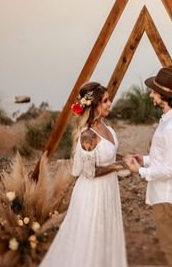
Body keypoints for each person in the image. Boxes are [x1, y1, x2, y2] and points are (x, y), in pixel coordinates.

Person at [40, 82, 127, 267]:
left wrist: (127, 157)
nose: (110, 103)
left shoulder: (107, 128)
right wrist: (119, 166)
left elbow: (108, 154)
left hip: (108, 189)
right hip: (93, 193)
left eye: (109, 99)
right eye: (105, 101)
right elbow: (90, 171)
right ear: (94, 105)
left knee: (105, 235)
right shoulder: (87, 135)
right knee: (91, 239)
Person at [125, 67, 172, 267]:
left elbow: (170, 169)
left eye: (154, 91)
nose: (150, 94)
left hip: (167, 197)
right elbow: (165, 158)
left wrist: (139, 171)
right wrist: (144, 160)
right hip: (169, 194)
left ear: (165, 96)